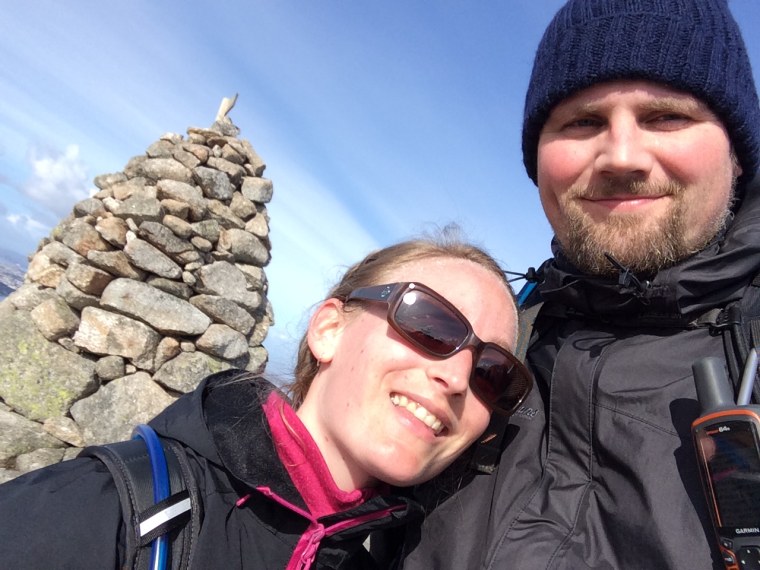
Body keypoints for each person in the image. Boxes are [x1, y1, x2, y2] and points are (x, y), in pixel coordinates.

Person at [401, 0, 760, 569]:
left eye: (667, 116)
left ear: (738, 155)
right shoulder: (487, 345)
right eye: (583, 122)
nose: (622, 157)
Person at [0, 235, 532, 569]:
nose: (459, 376)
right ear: (328, 330)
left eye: (494, 372)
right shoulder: (101, 511)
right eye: (428, 322)